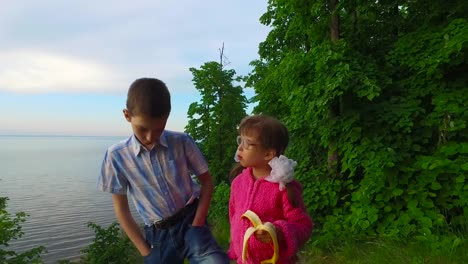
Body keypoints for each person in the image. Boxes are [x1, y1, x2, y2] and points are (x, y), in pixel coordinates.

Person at [97, 78, 229, 264]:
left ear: (167, 117)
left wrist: (198, 222)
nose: (151, 137)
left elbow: (207, 181)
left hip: (191, 221)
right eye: (143, 128)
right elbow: (121, 209)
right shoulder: (116, 156)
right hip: (157, 237)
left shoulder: (182, 142)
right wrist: (144, 250)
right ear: (127, 115)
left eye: (159, 129)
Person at [227, 114, 313, 264]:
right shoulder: (238, 183)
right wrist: (235, 250)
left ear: (268, 154)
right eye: (240, 140)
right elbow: (234, 217)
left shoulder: (283, 187)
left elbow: (303, 226)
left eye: (248, 144)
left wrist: (279, 231)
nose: (240, 148)